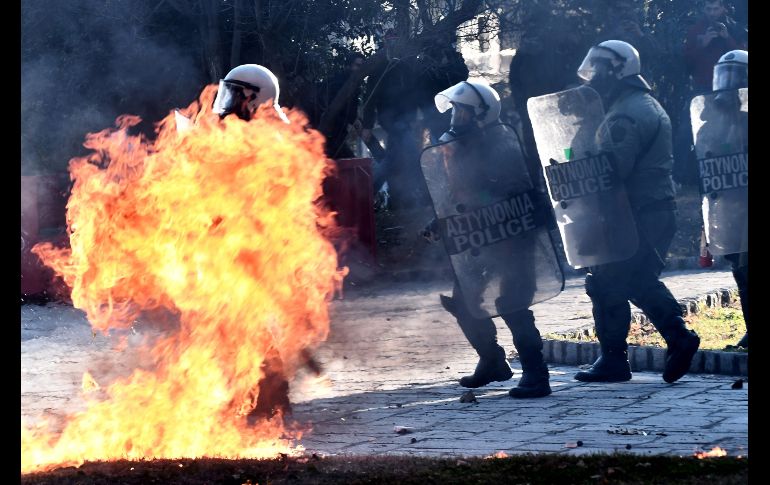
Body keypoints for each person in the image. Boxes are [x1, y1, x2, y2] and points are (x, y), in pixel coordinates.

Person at [563, 40, 700, 383]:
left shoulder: (626, 113)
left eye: (600, 68)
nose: (594, 75)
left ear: (618, 70)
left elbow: (612, 169)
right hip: (646, 209)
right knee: (630, 280)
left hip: (637, 212)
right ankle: (668, 341)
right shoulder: (634, 105)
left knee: (612, 281)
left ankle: (622, 357)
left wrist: (576, 175)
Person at [422, 80, 564, 398]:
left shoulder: (502, 146)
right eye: (455, 111)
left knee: (513, 303)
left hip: (512, 238)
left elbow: (514, 193)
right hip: (479, 239)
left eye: (462, 111)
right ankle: (492, 361)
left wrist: (483, 209)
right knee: (464, 303)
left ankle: (536, 375)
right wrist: (440, 222)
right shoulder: (462, 146)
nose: (456, 117)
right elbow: (458, 197)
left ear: (481, 114)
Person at [692, 50, 748, 349]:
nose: (728, 83)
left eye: (736, 77)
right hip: (728, 207)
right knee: (739, 269)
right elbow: (701, 169)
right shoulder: (709, 124)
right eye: (724, 76)